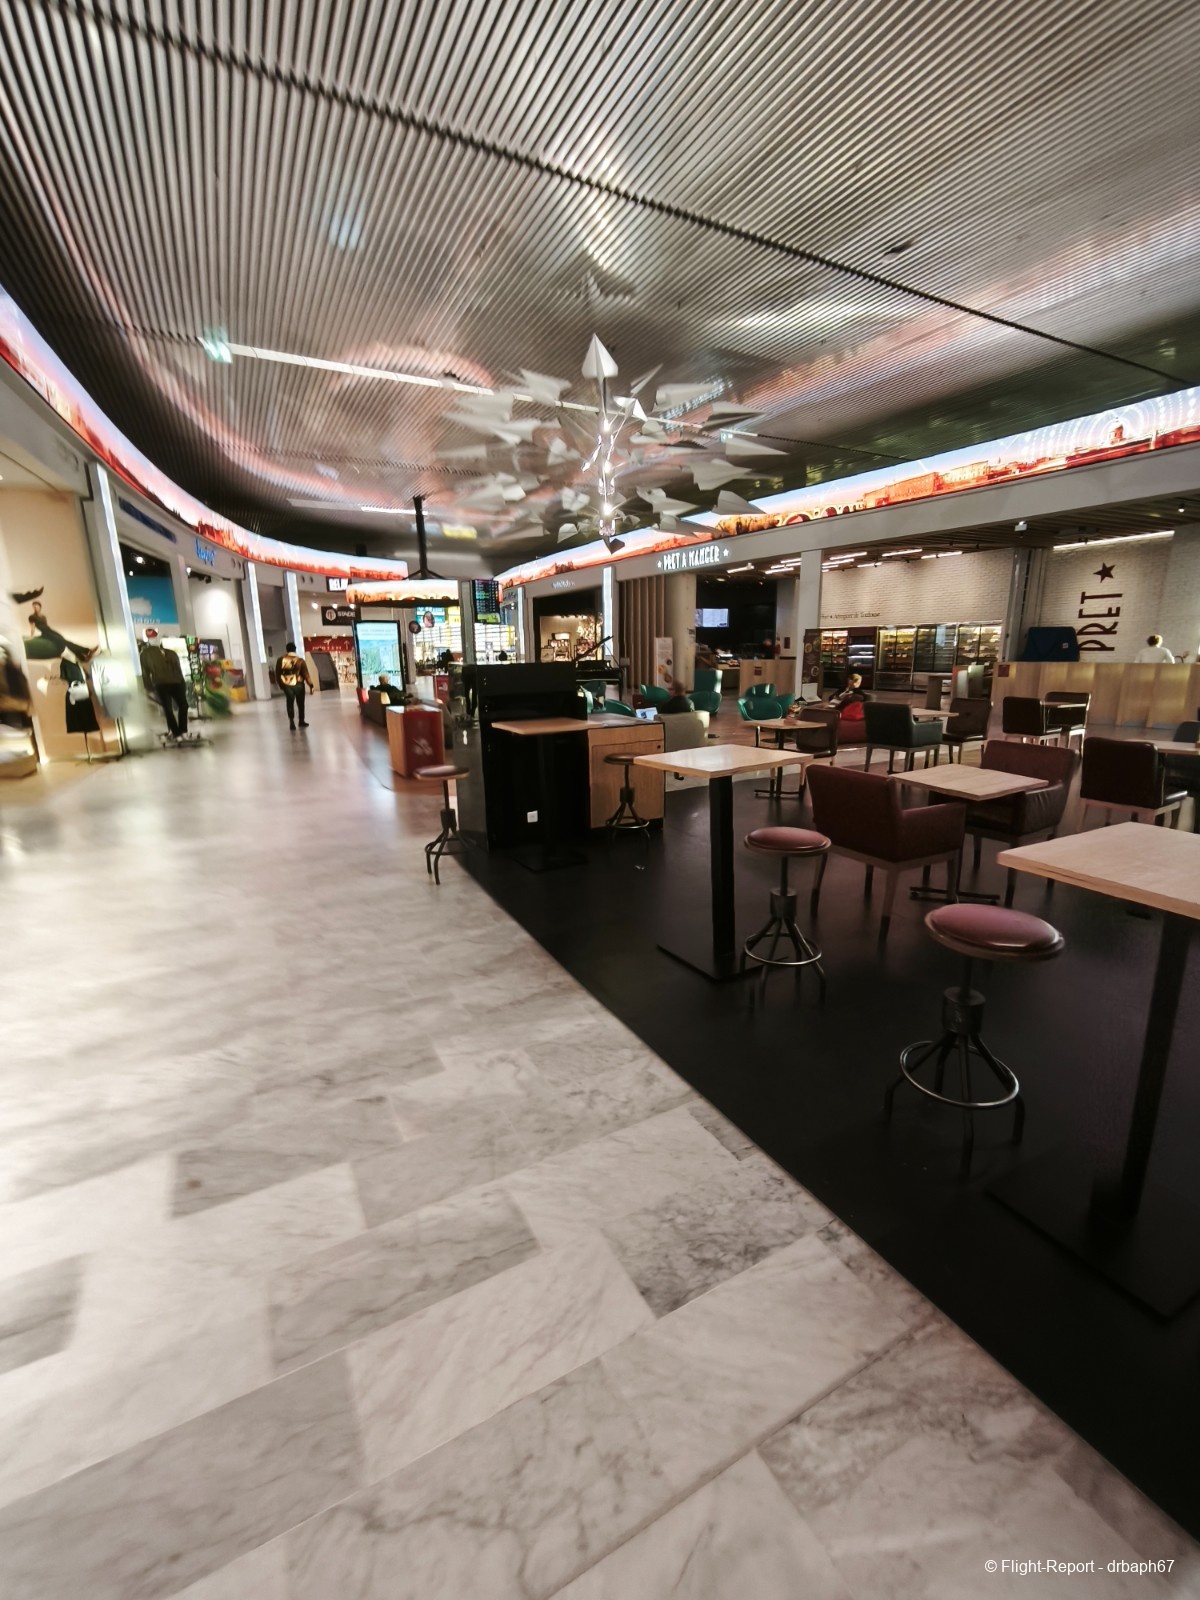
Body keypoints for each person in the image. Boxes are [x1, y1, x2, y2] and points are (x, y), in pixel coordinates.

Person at [139, 631, 189, 739]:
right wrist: (149, 687)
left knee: (171, 708)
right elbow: (145, 673)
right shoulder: (147, 654)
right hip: (169, 683)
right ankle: (179, 732)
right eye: (152, 638)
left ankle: (179, 732)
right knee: (177, 707)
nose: (155, 640)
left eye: (155, 637)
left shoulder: (168, 652)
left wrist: (149, 688)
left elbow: (145, 673)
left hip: (167, 683)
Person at [277, 642, 312, 729]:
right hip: (299, 684)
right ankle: (301, 721)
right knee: (300, 704)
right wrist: (311, 684)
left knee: (290, 703)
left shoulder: (280, 660)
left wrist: (281, 685)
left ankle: (291, 722)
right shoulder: (300, 661)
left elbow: (278, 673)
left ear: (287, 650)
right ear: (295, 649)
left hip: (286, 684)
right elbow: (306, 674)